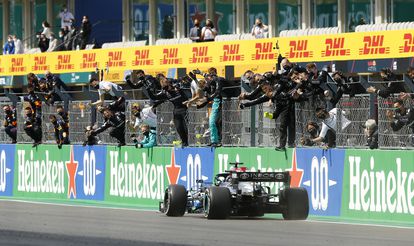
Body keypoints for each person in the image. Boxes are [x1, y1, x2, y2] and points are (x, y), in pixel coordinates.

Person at [147, 74, 189, 146]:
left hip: (185, 109)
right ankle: (184, 143)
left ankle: (189, 142)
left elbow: (186, 83)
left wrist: (181, 82)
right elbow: (154, 97)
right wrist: (148, 89)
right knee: (179, 128)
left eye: (164, 82)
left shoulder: (176, 86)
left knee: (186, 127)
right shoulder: (165, 93)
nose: (164, 87)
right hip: (176, 110)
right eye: (161, 83)